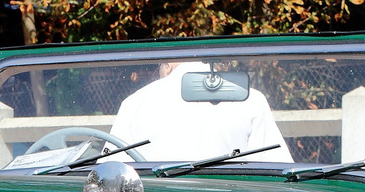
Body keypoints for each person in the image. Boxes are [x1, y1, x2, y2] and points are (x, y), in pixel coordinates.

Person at [108, 61, 290, 163]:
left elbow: (112, 171)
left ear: (167, 65)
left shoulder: (136, 102)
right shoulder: (250, 98)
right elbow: (276, 168)